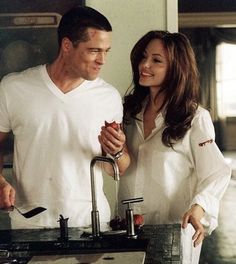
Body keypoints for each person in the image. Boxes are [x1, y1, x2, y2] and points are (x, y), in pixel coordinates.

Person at [0, 5, 130, 229]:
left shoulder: (108, 97)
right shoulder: (13, 87)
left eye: (106, 51)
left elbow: (118, 168)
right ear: (67, 45)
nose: (102, 60)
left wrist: (117, 151)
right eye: (94, 50)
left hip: (91, 223)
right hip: (30, 223)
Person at [118, 30, 231, 263]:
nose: (145, 65)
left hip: (174, 231)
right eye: (143, 57)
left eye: (156, 60)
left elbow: (217, 172)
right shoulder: (127, 113)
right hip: (127, 229)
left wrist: (199, 208)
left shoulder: (195, 117)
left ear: (176, 68)